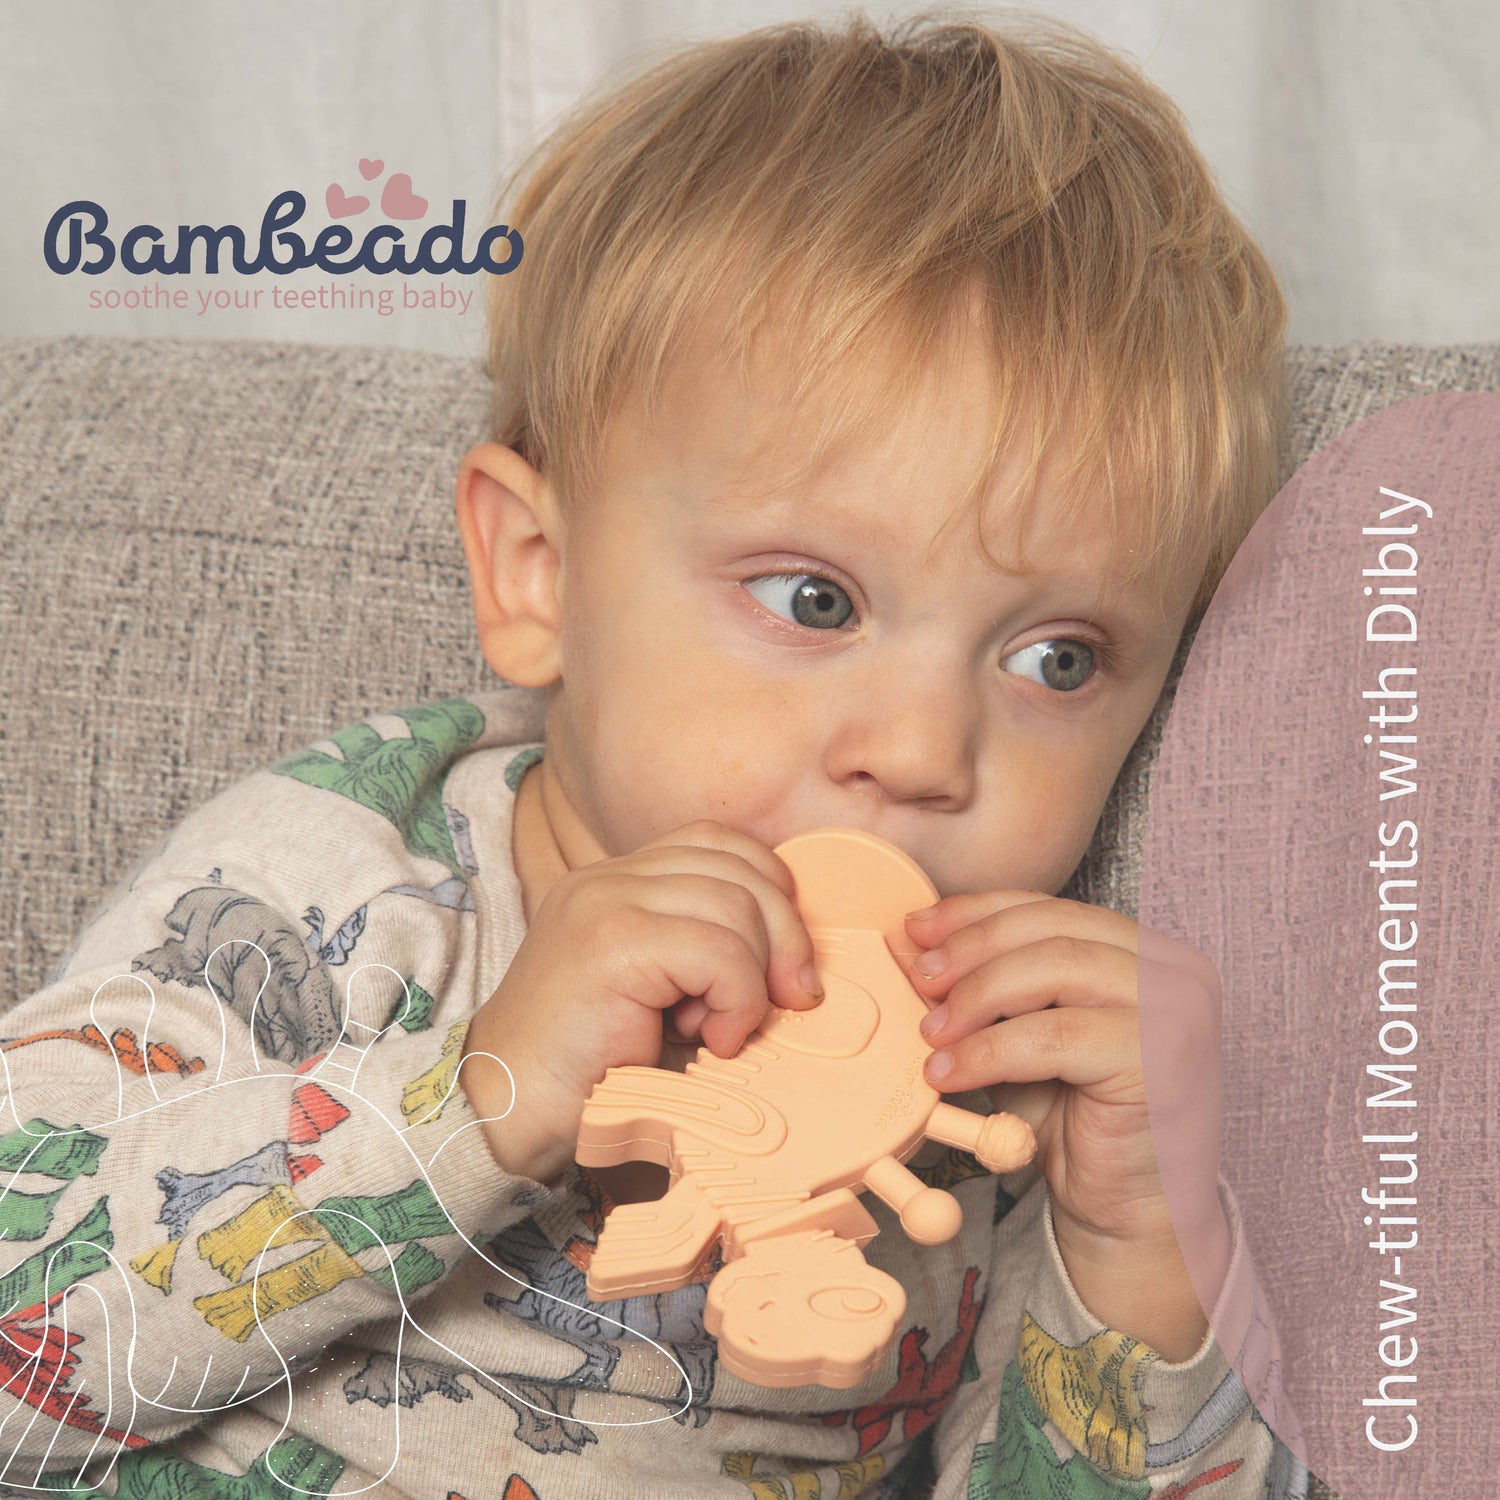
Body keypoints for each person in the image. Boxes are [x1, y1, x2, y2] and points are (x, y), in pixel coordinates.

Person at [0, 13, 1301, 1499]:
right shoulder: (349, 883)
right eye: (816, 600)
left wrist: (1140, 1254)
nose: (923, 753)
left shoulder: (1012, 1083)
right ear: (540, 575)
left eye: (1057, 658)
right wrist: (474, 1104)